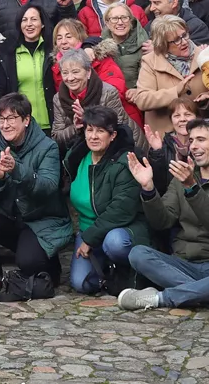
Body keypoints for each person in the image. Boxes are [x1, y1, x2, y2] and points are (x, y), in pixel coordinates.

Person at [120, 119, 209, 315]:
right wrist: (148, 189)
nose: (194, 146)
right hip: (182, 263)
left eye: (201, 140)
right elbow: (162, 221)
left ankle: (160, 298)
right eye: (191, 140)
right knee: (138, 254)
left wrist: (191, 187)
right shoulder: (182, 177)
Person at [0, 93, 71, 293]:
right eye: (1, 119)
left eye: (11, 118)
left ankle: (49, 266)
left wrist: (17, 170)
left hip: (38, 219)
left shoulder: (47, 146)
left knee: (29, 262)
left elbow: (48, 186)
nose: (5, 125)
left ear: (26, 120)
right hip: (7, 216)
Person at [63, 106, 145, 294]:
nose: (93, 136)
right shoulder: (78, 157)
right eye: (89, 130)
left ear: (113, 135)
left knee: (114, 243)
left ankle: (128, 270)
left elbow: (120, 210)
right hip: (87, 228)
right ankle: (106, 271)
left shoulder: (124, 161)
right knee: (81, 283)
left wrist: (90, 239)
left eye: (100, 131)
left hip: (121, 228)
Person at [132, 16, 209, 135]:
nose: (184, 42)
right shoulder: (150, 61)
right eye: (176, 40)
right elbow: (142, 99)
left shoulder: (204, 56)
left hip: (201, 133)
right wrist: (175, 91)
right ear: (163, 44)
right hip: (166, 137)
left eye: (184, 35)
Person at [52, 47, 137, 150]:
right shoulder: (58, 98)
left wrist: (87, 119)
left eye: (75, 72)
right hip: (86, 149)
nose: (70, 78)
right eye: (65, 73)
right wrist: (75, 127)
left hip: (126, 145)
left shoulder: (108, 92)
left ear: (88, 73)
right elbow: (57, 138)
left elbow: (116, 129)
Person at [0, 4, 56, 130]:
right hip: (20, 125)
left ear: (42, 24)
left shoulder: (52, 51)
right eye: (24, 20)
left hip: (51, 122)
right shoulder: (8, 55)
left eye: (34, 19)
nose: (29, 24)